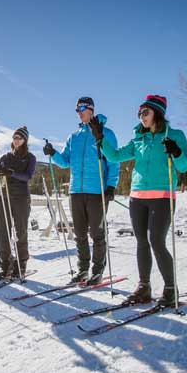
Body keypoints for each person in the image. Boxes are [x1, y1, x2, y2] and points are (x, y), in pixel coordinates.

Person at [91, 95, 187, 306]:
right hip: (137, 197)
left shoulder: (175, 135)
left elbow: (183, 166)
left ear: (157, 112)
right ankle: (144, 287)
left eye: (145, 112)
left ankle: (171, 289)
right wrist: (100, 139)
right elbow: (116, 156)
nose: (141, 117)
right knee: (141, 242)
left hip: (162, 196)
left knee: (156, 240)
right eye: (139, 113)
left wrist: (177, 151)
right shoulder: (138, 138)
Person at [42, 97, 119, 285]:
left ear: (91, 109)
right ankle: (83, 269)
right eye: (77, 109)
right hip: (76, 191)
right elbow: (65, 161)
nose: (79, 112)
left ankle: (98, 271)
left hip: (97, 191)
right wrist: (53, 153)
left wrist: (111, 186)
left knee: (97, 233)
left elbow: (114, 162)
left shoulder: (106, 133)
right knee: (80, 233)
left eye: (82, 108)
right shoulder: (73, 137)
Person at [0, 126, 36, 280]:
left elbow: (28, 176)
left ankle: (20, 265)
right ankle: (5, 264)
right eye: (15, 137)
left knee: (20, 231)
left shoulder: (30, 157)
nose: (16, 140)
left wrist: (12, 173)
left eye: (19, 138)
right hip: (6, 195)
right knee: (2, 231)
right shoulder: (7, 156)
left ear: (25, 140)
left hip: (21, 197)